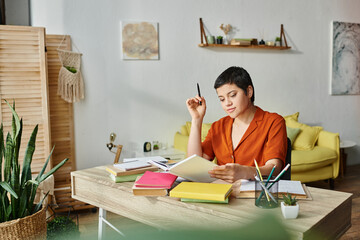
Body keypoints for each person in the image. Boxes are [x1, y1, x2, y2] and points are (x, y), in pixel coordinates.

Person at [186, 66, 287, 183]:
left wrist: (244, 172)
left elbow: (274, 169)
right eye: (222, 99)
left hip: (256, 195)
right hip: (221, 193)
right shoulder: (218, 126)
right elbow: (194, 165)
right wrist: (196, 119)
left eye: (233, 95)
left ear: (249, 91)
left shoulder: (274, 122)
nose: (227, 103)